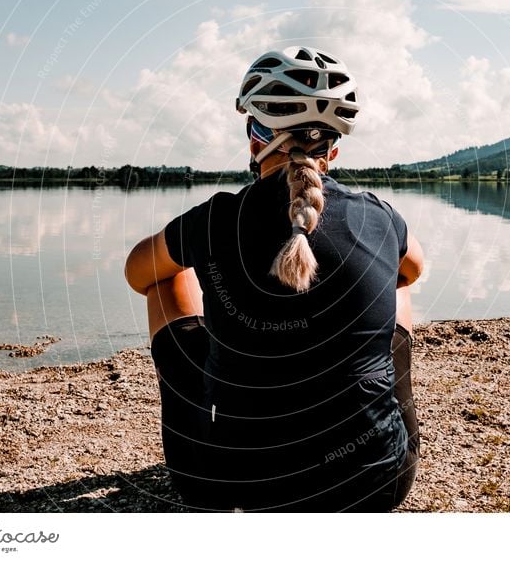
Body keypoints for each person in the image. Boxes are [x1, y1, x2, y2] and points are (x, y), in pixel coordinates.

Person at [125, 45, 424, 511]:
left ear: (254, 137)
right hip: (375, 484)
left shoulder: (214, 218)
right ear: (334, 149)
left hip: (225, 484)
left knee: (166, 280)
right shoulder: (378, 217)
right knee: (398, 283)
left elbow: (136, 271)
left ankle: (225, 416)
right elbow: (414, 269)